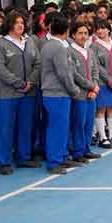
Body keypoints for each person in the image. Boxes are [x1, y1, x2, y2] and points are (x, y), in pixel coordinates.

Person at [0, 13, 41, 173]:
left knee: (25, 127)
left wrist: (30, 82)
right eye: (16, 23)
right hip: (7, 94)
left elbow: (38, 63)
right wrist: (19, 83)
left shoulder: (29, 41)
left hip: (28, 93)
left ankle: (23, 157)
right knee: (5, 128)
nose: (20, 25)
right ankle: (4, 162)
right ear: (9, 25)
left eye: (22, 22)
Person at [39, 15, 79, 175]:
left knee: (60, 127)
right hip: (57, 93)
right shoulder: (58, 47)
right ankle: (54, 161)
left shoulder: (50, 45)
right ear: (67, 30)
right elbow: (64, 73)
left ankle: (61, 157)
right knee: (57, 127)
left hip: (54, 93)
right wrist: (73, 90)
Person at [66, 21, 101, 165]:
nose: (83, 36)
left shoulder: (90, 51)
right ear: (73, 34)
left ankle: (86, 149)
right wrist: (91, 86)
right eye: (80, 33)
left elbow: (95, 70)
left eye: (86, 33)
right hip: (79, 93)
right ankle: (77, 151)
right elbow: (73, 74)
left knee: (88, 123)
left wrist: (95, 86)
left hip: (91, 94)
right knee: (78, 123)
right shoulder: (69, 51)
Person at [91, 18, 112, 148]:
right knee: (101, 109)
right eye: (98, 28)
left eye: (103, 28)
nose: (100, 31)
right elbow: (97, 66)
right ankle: (102, 137)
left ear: (108, 29)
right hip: (102, 83)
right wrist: (109, 80)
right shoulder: (94, 46)